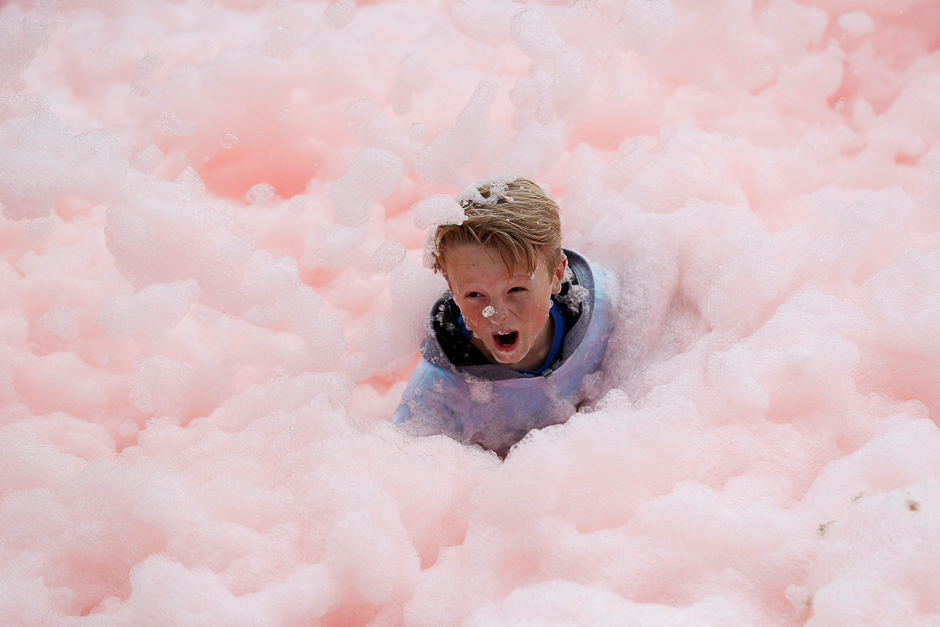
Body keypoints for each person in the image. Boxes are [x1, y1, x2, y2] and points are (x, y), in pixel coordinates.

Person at [394, 177, 613, 457]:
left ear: (557, 275)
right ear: (453, 290)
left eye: (516, 289)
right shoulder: (438, 395)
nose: (496, 315)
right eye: (474, 295)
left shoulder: (604, 309)